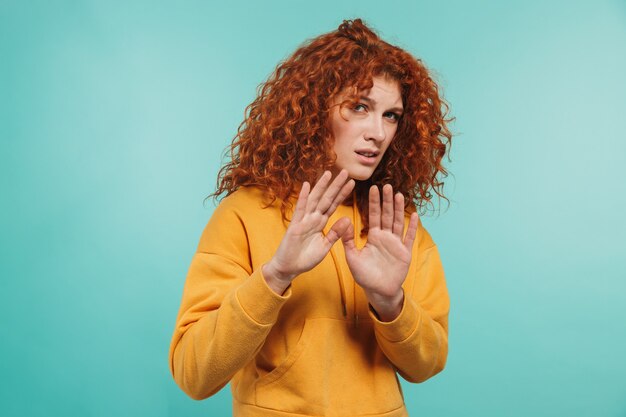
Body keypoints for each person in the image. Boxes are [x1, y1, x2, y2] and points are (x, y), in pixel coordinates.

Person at [169, 18, 453, 417]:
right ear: (314, 110)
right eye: (360, 107)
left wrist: (391, 302)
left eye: (391, 115)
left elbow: (427, 365)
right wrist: (275, 276)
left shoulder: (395, 224)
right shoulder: (244, 213)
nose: (378, 132)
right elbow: (194, 374)